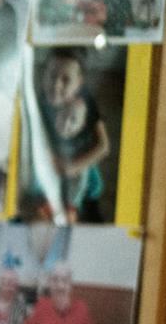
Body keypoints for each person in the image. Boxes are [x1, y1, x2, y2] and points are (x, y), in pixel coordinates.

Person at [35, 51, 111, 222]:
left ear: (79, 84)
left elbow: (103, 146)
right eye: (52, 76)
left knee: (88, 211)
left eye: (66, 80)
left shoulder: (85, 104)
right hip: (52, 168)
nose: (56, 85)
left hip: (81, 167)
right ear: (43, 74)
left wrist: (73, 168)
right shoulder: (39, 101)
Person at [19, 263, 101, 324]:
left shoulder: (81, 308)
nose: (60, 286)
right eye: (55, 280)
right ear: (49, 284)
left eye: (65, 280)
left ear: (70, 285)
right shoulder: (41, 306)